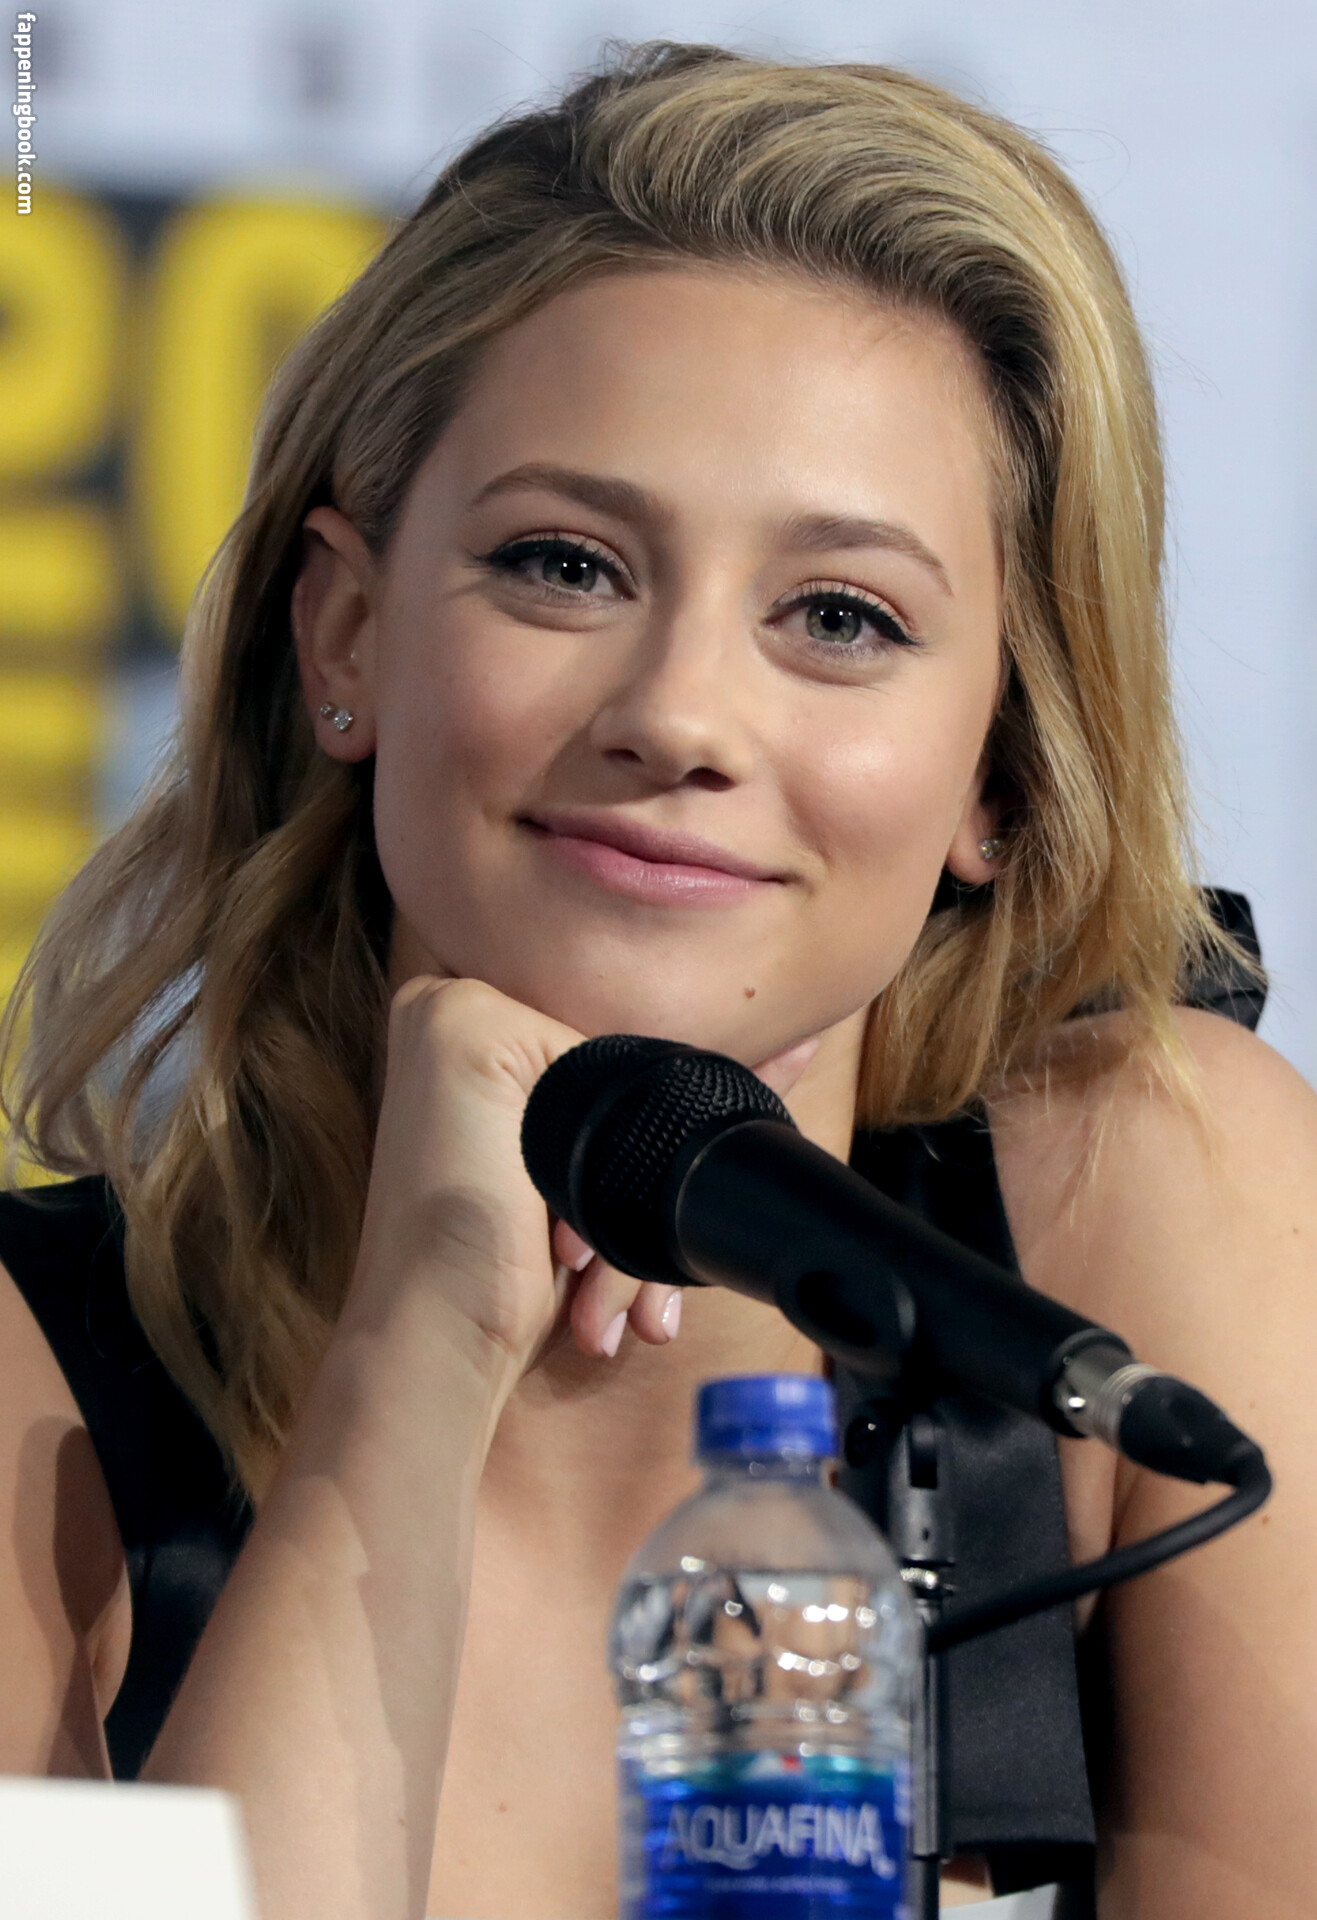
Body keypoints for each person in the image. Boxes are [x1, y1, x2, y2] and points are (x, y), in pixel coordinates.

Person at [1, 39, 1314, 1920]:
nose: (681, 714)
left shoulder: (1148, 1213)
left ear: (1003, 772)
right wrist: (411, 1354)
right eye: (565, 565)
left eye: (839, 616)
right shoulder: (31, 1384)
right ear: (347, 634)